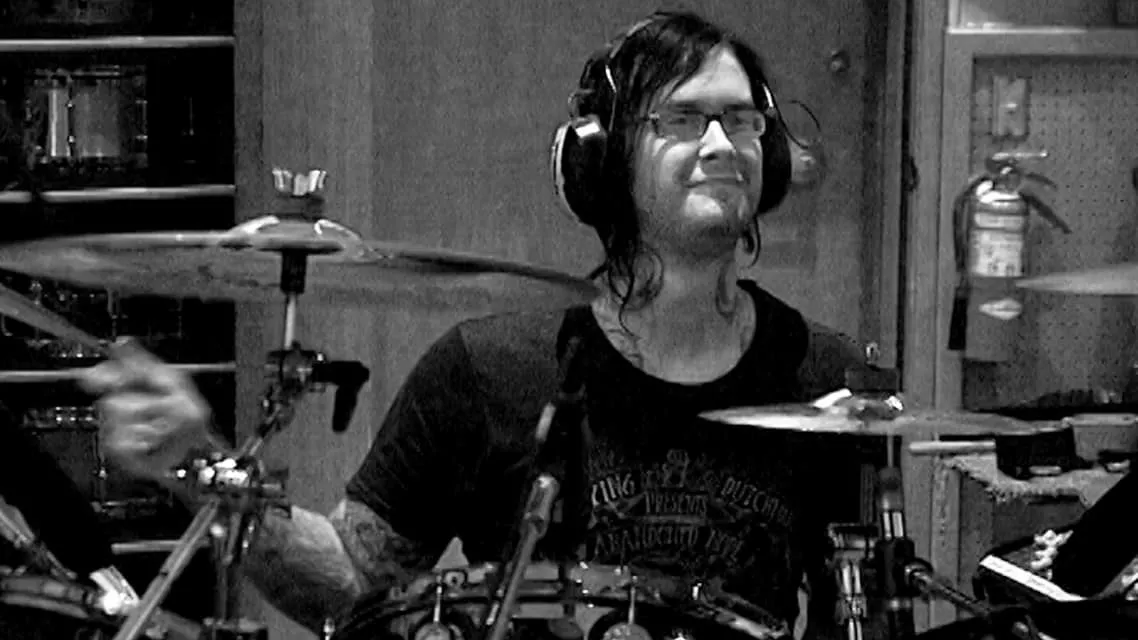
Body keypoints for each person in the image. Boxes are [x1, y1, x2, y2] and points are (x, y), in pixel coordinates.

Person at [80, 9, 867, 639]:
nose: (723, 145)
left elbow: (859, 610)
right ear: (601, 161)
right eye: (685, 120)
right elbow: (354, 579)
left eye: (742, 121)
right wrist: (198, 464)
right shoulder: (492, 373)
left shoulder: (827, 381)